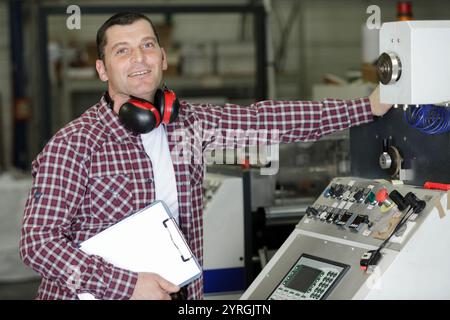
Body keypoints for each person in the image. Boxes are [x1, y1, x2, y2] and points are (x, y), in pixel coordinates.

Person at [20, 12, 391, 300]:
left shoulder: (190, 124)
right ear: (102, 68)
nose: (139, 59)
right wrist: (127, 285)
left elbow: (271, 120)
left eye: (148, 46)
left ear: (163, 58)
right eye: (122, 51)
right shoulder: (74, 144)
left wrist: (365, 107)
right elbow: (38, 243)